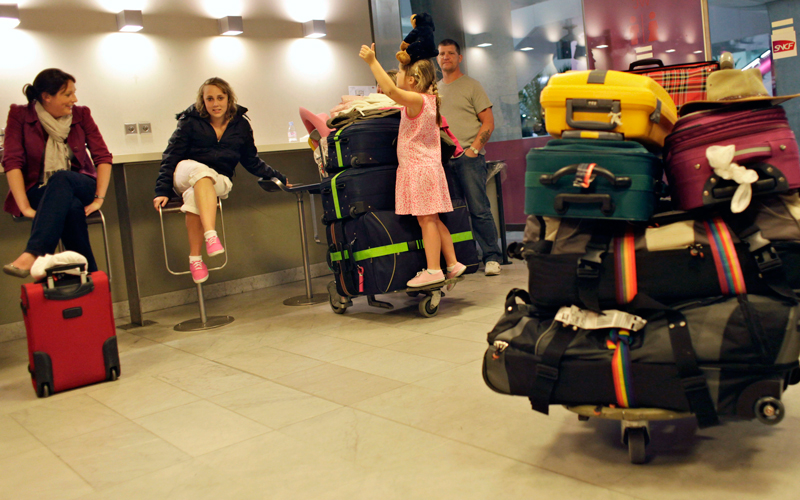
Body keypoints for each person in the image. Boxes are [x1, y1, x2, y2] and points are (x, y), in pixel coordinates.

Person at [153, 77, 287, 284]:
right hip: (185, 172)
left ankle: (195, 259)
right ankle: (211, 235)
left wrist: (279, 178)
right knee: (200, 172)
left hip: (218, 179)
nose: (215, 103)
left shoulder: (240, 125)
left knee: (195, 197)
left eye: (220, 98)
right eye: (210, 99)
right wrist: (162, 190)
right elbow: (170, 156)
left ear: (229, 99)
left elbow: (251, 160)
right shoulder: (189, 122)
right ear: (203, 101)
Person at [359, 43, 466, 287]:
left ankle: (433, 269)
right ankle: (452, 263)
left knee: (426, 221)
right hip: (427, 169)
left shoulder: (417, 100)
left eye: (398, 73)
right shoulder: (427, 101)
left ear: (413, 80)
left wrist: (372, 62)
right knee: (434, 219)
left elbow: (390, 91)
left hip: (420, 170)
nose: (396, 77)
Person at [2, 68, 112, 278]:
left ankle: (34, 252)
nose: (74, 99)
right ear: (46, 97)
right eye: (68, 94)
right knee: (71, 207)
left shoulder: (81, 114)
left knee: (62, 178)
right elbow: (12, 161)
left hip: (81, 184)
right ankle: (88, 279)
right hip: (40, 189)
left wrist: (98, 199)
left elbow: (103, 157)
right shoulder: (20, 115)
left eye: (74, 93)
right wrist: (24, 206)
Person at [436, 39, 502, 276]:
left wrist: (473, 149)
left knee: (479, 209)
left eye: (451, 53)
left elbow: (488, 122)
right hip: (444, 160)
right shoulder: (434, 91)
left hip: (469, 158)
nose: (446, 57)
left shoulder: (472, 85)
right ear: (437, 58)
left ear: (459, 58)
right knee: (453, 212)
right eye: (442, 53)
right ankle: (464, 259)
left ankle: (492, 257)